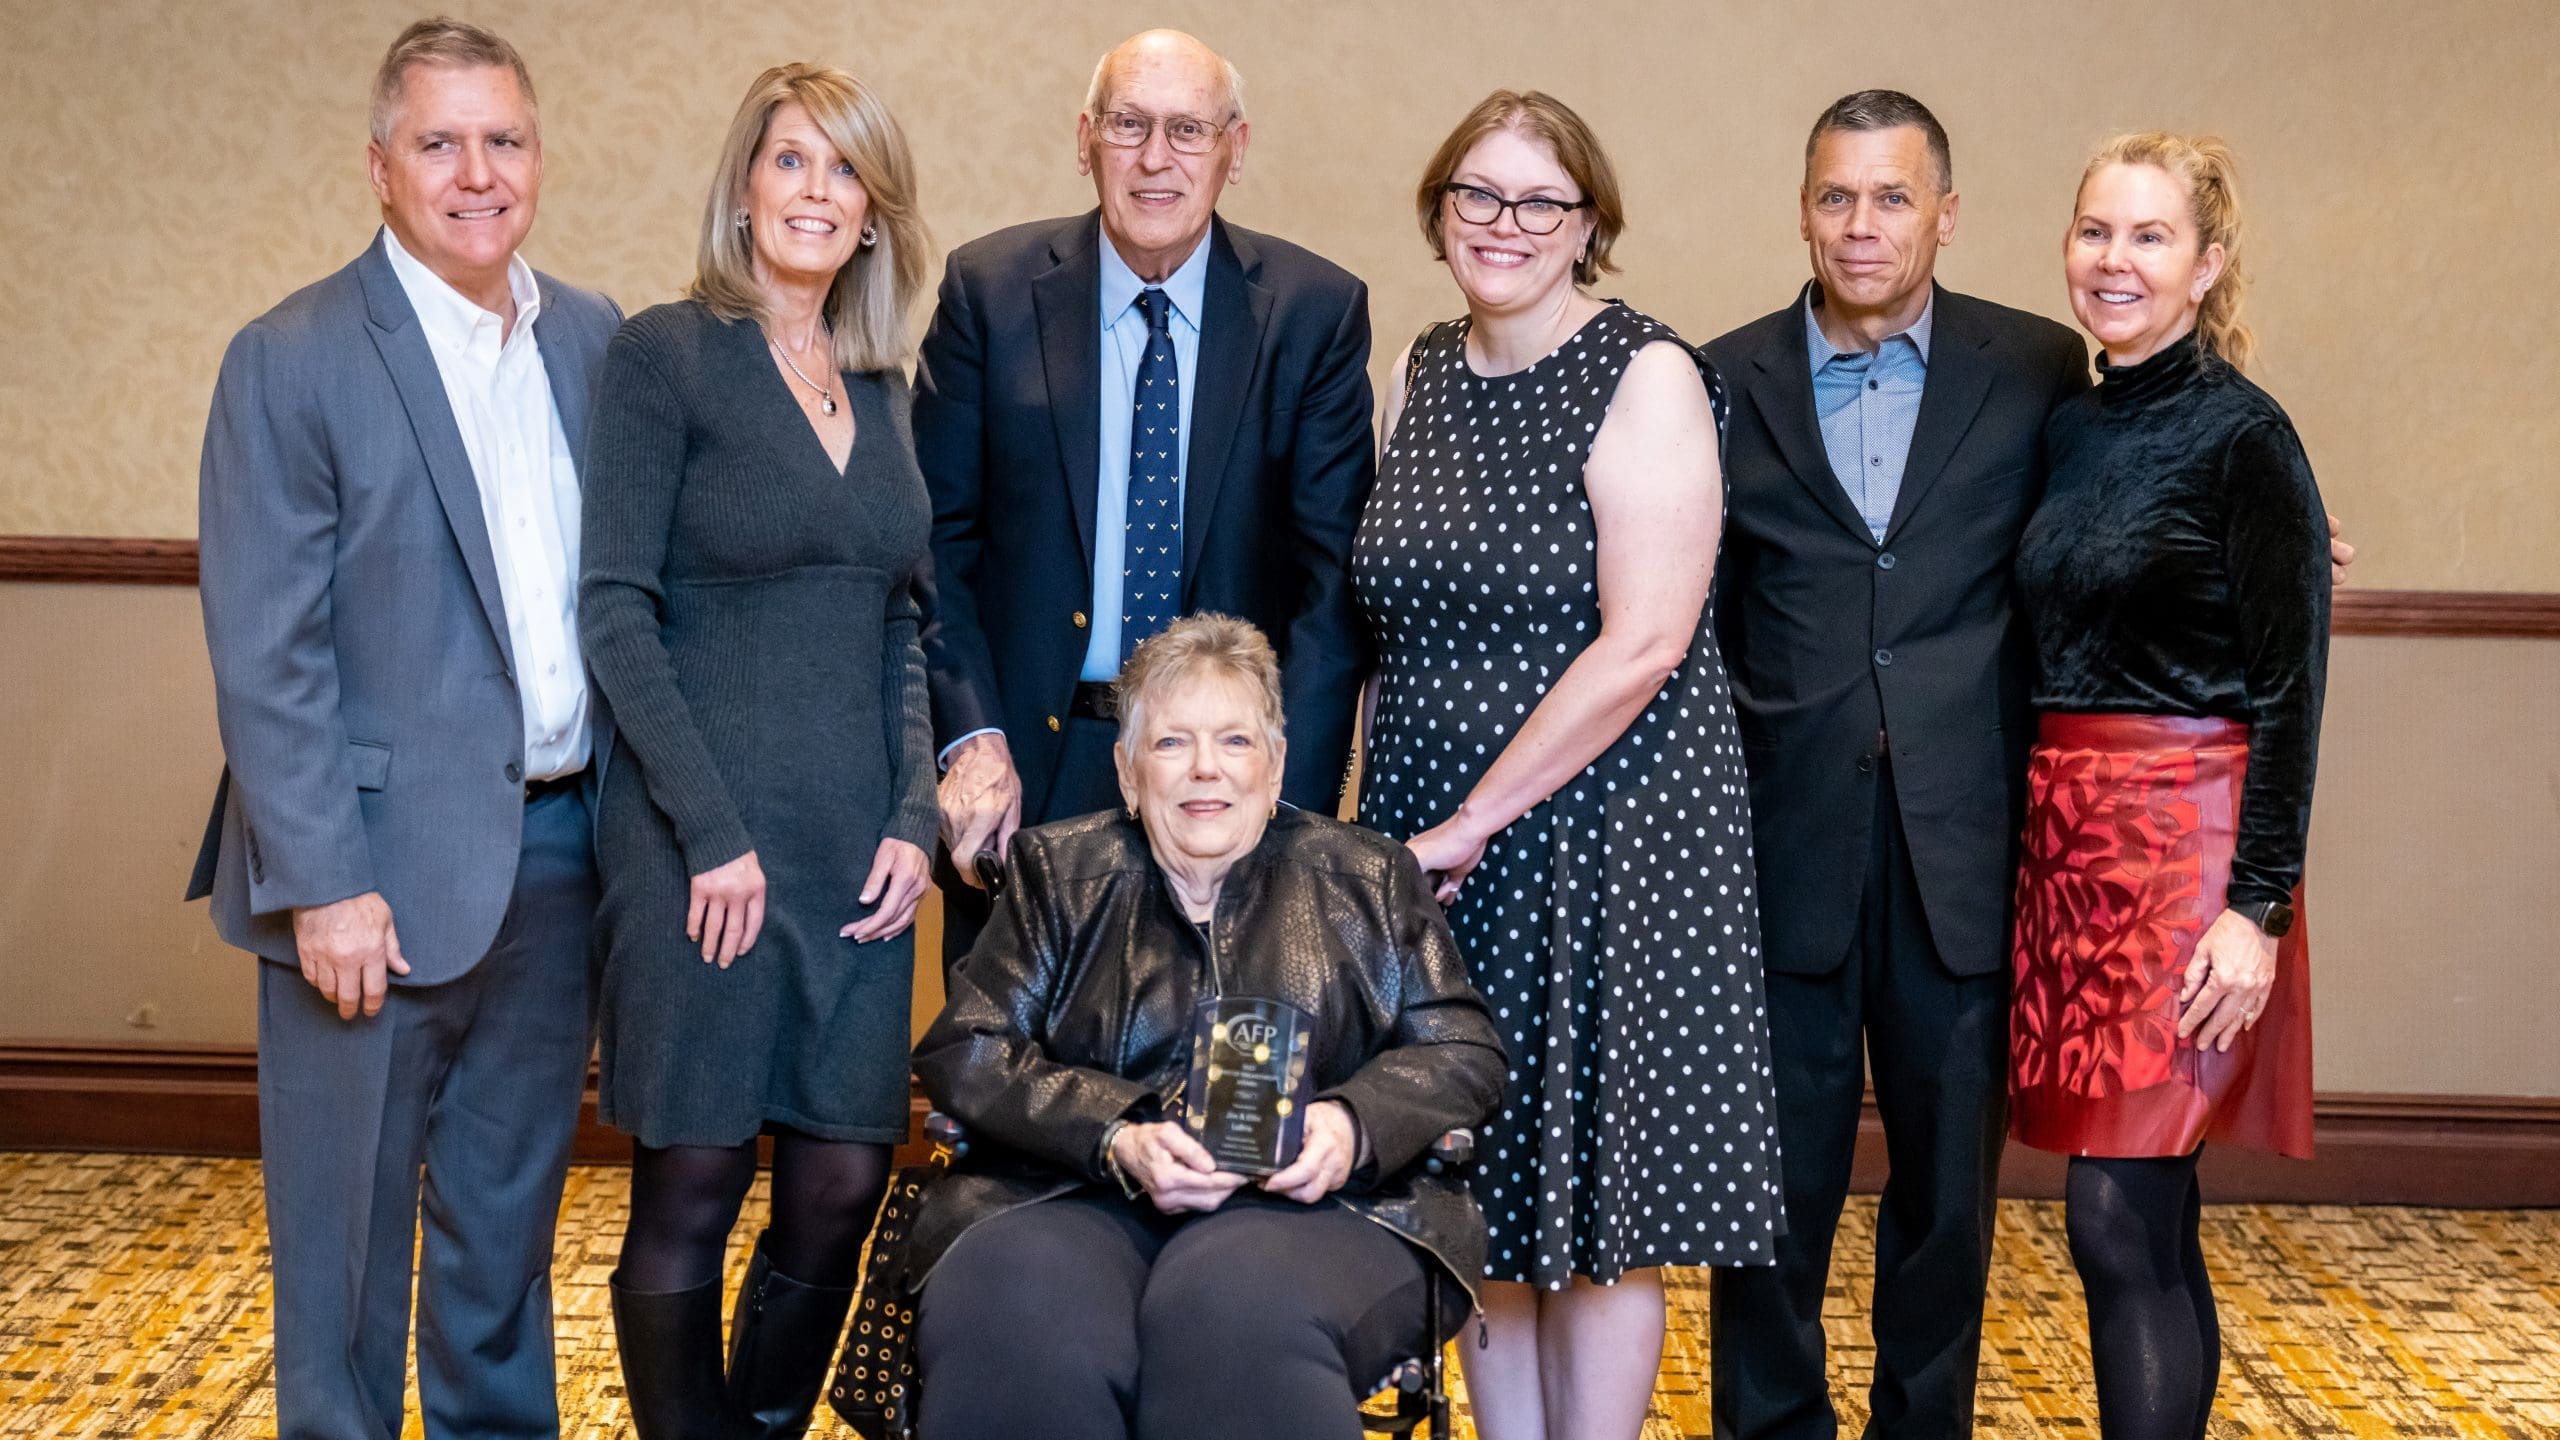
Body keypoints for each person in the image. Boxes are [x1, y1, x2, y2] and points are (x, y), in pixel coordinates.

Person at [1699, 93, 2356, 1440]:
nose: (1863, 224)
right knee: (1768, 1206)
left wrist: (2294, 534)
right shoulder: (1721, 380)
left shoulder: (2037, 370)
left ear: (1947, 216)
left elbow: (2215, 520)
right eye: (1836, 195)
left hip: (1991, 854)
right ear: (1803, 209)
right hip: (1800, 848)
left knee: (1966, 1208)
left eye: (1894, 196)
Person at [186, 19, 620, 1438]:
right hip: (364, 881)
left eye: (503, 140)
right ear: (380, 167)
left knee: (505, 1236)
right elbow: (268, 653)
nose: (476, 174)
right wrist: (323, 883)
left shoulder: (595, 338)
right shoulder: (292, 357)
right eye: (440, 143)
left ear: (538, 157)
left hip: (557, 857)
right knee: (347, 1257)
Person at [1353, 90, 1783, 1440]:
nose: (1505, 224)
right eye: (1477, 194)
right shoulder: (1422, 367)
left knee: (1599, 1215)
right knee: (1481, 1183)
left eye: (1540, 200)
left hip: (1595, 833)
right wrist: (1386, 829)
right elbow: (1391, 621)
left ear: (1588, 224)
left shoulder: (1645, 374)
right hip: (1436, 832)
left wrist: (1477, 817)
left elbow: (1646, 641)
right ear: (1439, 211)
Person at [903, 613, 1505, 1440]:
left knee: (1233, 1316)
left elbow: (1462, 1048)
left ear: (1276, 765)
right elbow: (967, 1045)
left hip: (1326, 1208)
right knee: (1018, 1323)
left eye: (1235, 741)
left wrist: (1352, 1124)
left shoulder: (1369, 877)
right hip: (1070, 1195)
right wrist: (1115, 1135)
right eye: (1171, 743)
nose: (1204, 770)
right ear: (1127, 772)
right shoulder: (1057, 873)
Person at [576, 62, 936, 1438]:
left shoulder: (884, 387)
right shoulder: (664, 355)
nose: (817, 192)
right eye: (791, 160)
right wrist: (710, 834)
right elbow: (615, 610)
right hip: (700, 849)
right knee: (696, 1179)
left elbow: (902, 620)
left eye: (846, 171)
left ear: (874, 211)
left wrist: (913, 816)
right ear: (743, 186)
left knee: (844, 1181)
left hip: (856, 851)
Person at [916, 29, 1376, 968]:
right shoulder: (988, 293)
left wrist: (1287, 803)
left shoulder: (1314, 313)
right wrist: (971, 738)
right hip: (1026, 775)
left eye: (1187, 130)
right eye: (1129, 124)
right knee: (1012, 1054)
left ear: (1234, 150)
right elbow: (932, 544)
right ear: (1086, 138)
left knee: (1222, 1054)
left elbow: (1332, 589)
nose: (1156, 158)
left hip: (1224, 786)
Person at [2011, 133, 2325, 1440]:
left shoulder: (2246, 435)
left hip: (2189, 862)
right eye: (2095, 231)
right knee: (2146, 1217)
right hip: (2072, 859)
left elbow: (2292, 692)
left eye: (2149, 236)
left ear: (2206, 267)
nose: (2114, 260)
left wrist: (2259, 910)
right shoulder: (2067, 428)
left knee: (2113, 1213)